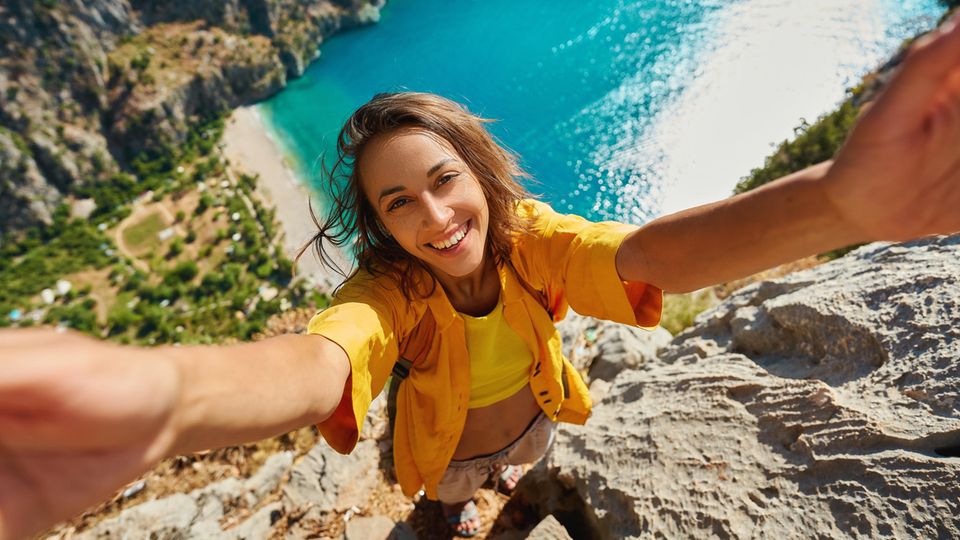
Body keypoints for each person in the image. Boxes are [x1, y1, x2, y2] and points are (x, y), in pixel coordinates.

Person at [2, 13, 960, 540]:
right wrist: (170, 399)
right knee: (449, 506)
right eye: (396, 204)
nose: (433, 218)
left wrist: (839, 205)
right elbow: (325, 361)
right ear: (376, 226)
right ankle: (449, 518)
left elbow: (642, 259)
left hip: (538, 415)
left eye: (442, 182)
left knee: (520, 465)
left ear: (482, 177)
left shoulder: (531, 245)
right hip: (445, 448)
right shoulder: (393, 297)